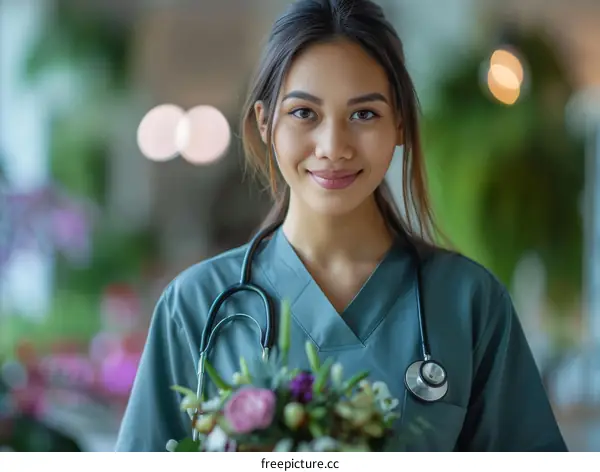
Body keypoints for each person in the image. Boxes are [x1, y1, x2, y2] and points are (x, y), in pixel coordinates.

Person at [115, 0, 568, 452]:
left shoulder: (469, 305)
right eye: (304, 113)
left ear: (400, 124)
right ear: (265, 122)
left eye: (364, 114)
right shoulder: (194, 306)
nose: (333, 147)